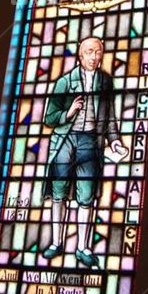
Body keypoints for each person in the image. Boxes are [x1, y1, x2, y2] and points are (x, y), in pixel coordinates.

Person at [40, 37, 127, 269]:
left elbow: (109, 116)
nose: (94, 56)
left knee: (86, 196)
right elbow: (49, 118)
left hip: (90, 141)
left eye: (98, 52)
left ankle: (83, 247)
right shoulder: (65, 82)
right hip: (65, 141)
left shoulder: (105, 82)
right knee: (58, 193)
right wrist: (68, 113)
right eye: (89, 51)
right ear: (80, 55)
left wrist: (115, 141)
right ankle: (56, 242)